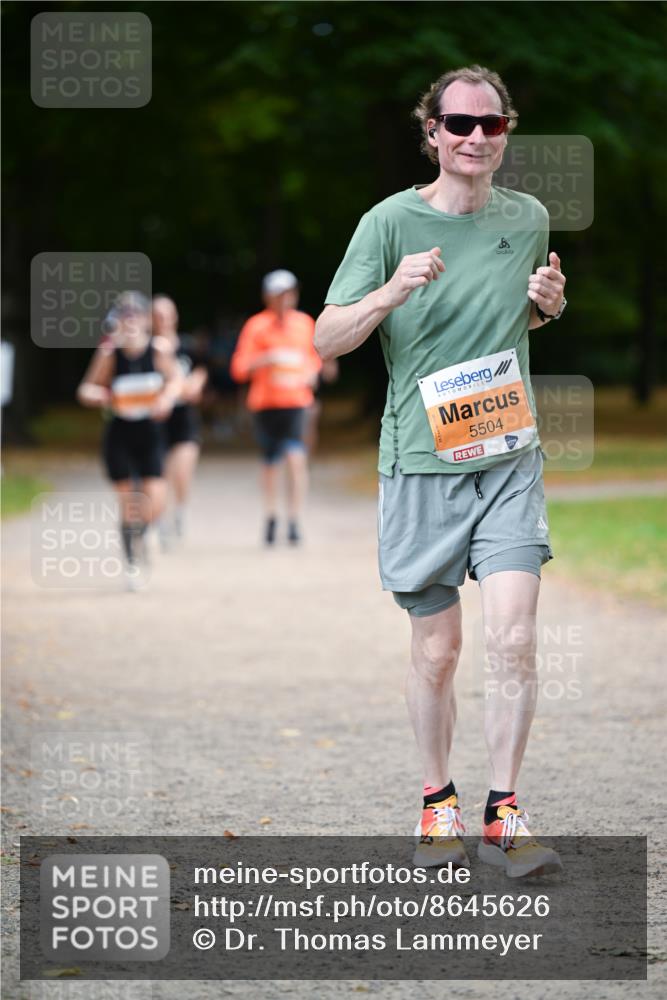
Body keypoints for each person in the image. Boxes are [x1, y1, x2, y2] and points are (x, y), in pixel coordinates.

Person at [315, 65, 567, 876]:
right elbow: (326, 340)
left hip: (506, 455)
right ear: (431, 133)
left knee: (516, 636)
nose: (473, 138)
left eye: (489, 125)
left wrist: (548, 305)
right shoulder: (386, 222)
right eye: (458, 123)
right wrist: (391, 289)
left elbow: (509, 315)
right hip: (420, 462)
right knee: (436, 652)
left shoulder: (527, 218)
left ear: (505, 134)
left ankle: (503, 810)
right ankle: (436, 801)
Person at [77, 291, 182, 587]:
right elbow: (85, 389)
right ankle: (132, 564)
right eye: (126, 315)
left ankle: (146, 532)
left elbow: (176, 381)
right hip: (120, 434)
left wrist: (167, 398)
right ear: (119, 321)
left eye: (137, 314)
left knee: (155, 500)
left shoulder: (158, 350)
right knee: (128, 503)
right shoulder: (110, 354)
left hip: (151, 433)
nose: (131, 320)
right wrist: (102, 396)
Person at [230, 270, 321, 545]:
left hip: (297, 402)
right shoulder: (256, 326)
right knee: (270, 463)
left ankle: (293, 519)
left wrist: (311, 373)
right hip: (266, 404)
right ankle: (271, 516)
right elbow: (239, 369)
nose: (285, 299)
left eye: (289, 293)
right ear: (268, 297)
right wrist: (266, 359)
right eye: (279, 294)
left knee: (296, 457)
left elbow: (315, 359)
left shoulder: (305, 323)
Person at [151, 295, 208, 541]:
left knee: (182, 472)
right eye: (157, 314)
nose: (163, 319)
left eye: (167, 313)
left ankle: (180, 511)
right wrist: (181, 388)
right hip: (156, 418)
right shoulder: (147, 348)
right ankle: (159, 519)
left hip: (184, 418)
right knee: (159, 475)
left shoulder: (187, 345)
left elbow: (201, 369)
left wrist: (196, 383)